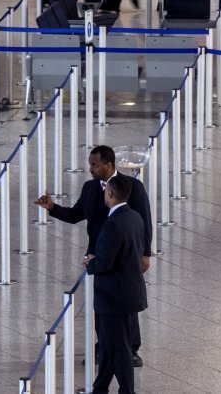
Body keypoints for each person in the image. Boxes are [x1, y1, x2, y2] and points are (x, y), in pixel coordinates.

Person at [35, 145, 152, 367]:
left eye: (95, 165)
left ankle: (131, 349)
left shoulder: (132, 187)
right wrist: (53, 208)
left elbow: (144, 221)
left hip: (126, 257)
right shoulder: (90, 188)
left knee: (126, 303)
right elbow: (75, 214)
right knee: (103, 303)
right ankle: (104, 346)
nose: (91, 168)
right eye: (90, 164)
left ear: (109, 165)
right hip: (100, 256)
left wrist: (145, 253)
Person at [83, 174, 148, 394]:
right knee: (110, 347)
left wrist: (90, 262)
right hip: (130, 294)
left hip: (114, 298)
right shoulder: (135, 218)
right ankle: (100, 388)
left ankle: (127, 391)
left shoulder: (113, 223)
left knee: (119, 349)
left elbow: (105, 263)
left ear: (109, 193)